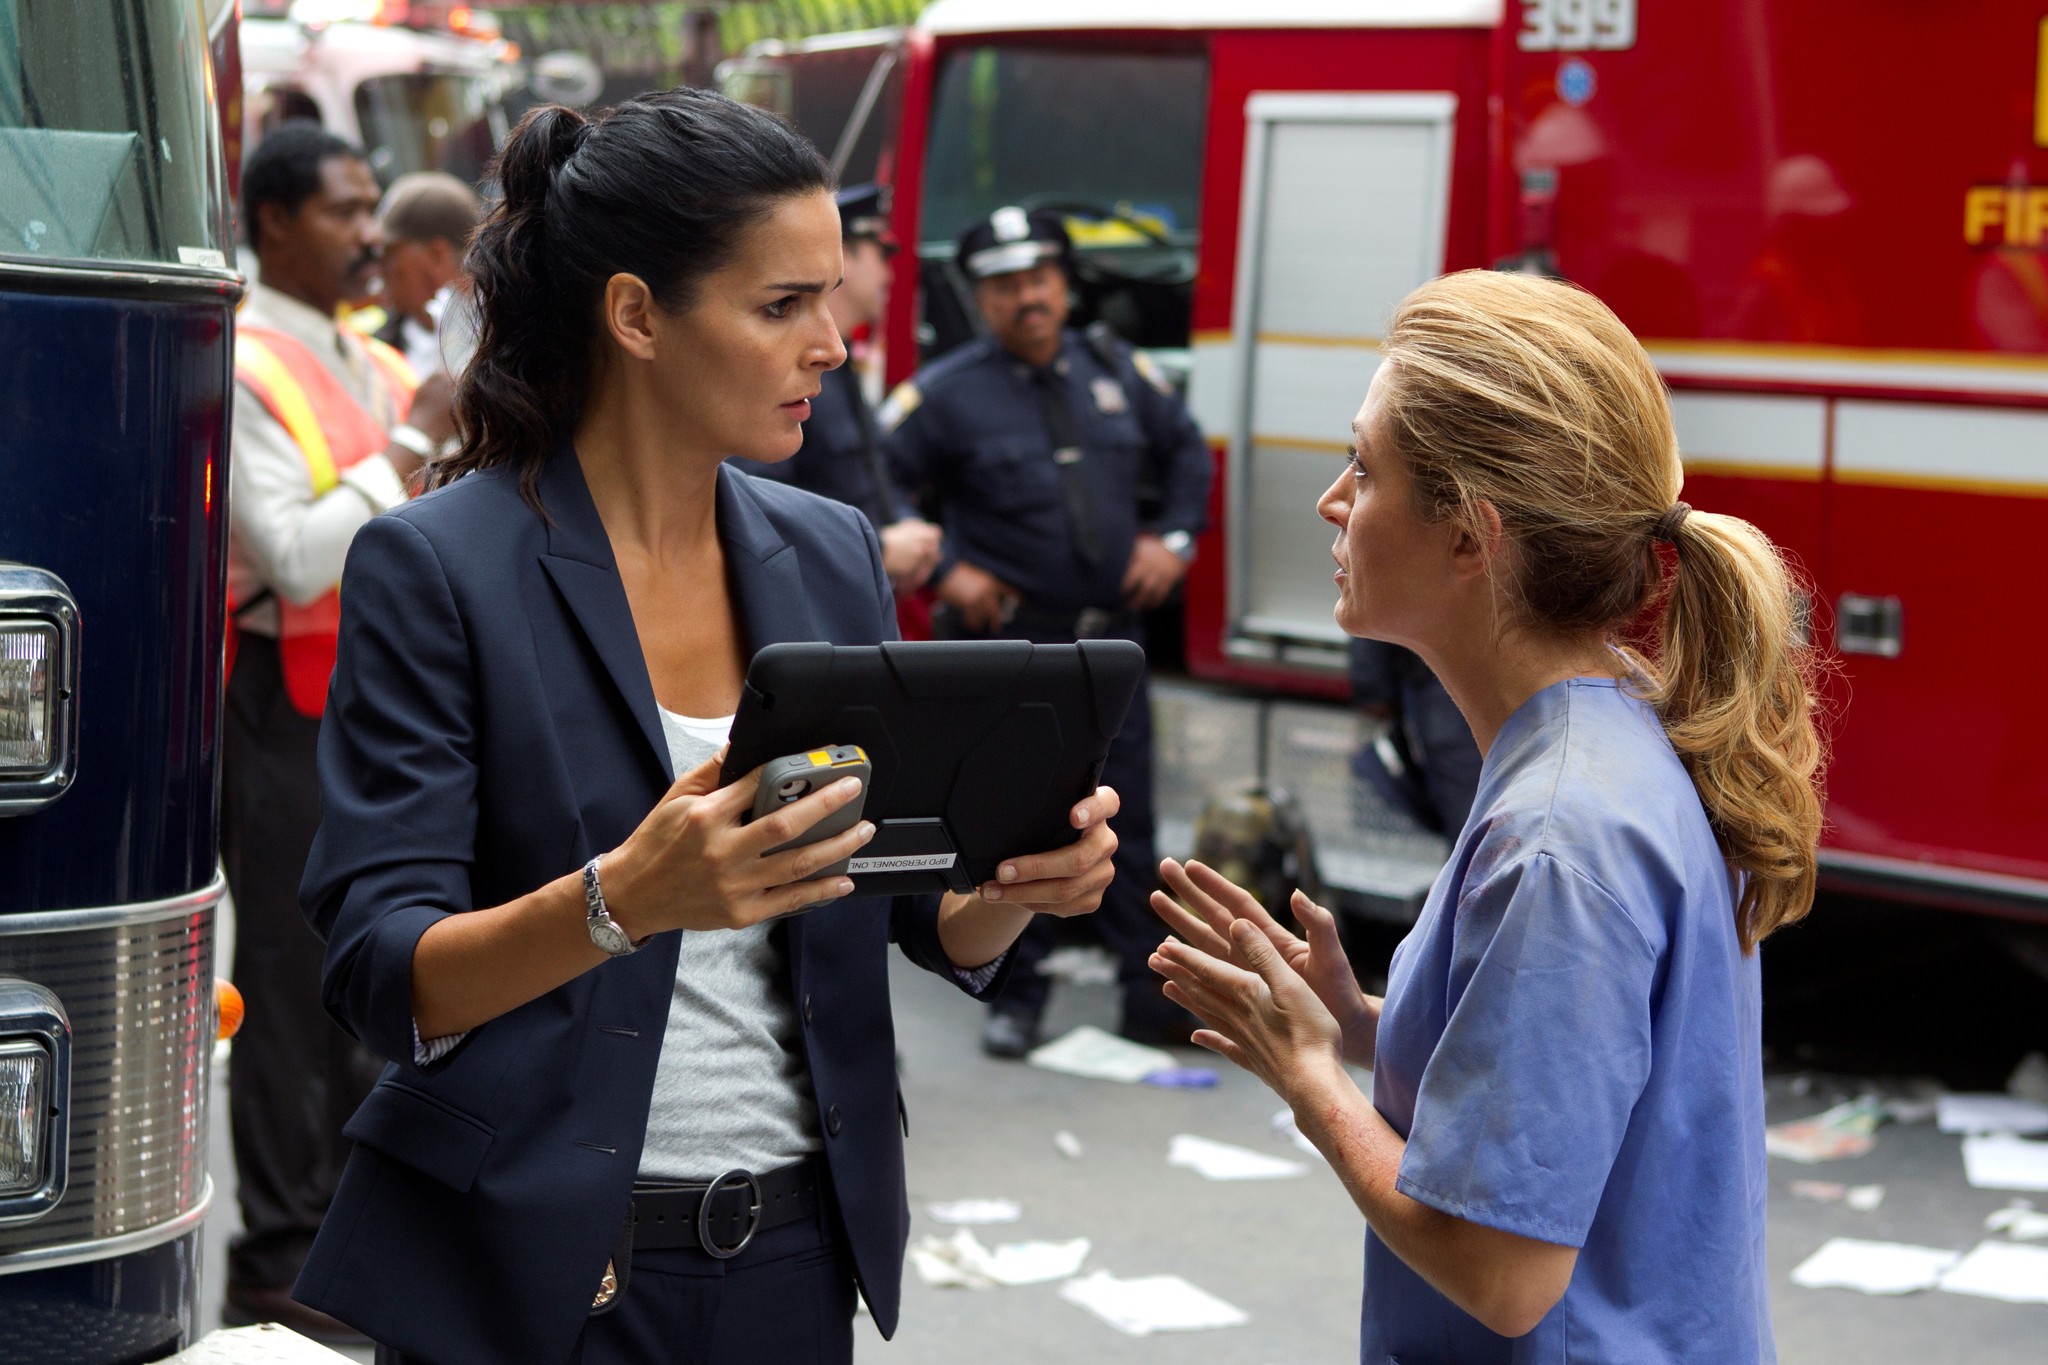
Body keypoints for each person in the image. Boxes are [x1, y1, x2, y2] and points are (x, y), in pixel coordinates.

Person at [293, 90, 1123, 1365]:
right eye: (781, 304)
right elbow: (377, 969)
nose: (833, 348)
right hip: (538, 1269)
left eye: (830, 299)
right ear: (634, 314)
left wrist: (1019, 882)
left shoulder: (827, 547)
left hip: (796, 1251)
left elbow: (907, 907)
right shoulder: (435, 566)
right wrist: (623, 897)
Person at [1148, 270, 1822, 1361]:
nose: (1332, 500)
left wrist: (1308, 1075)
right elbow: (1571, 1083)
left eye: (1363, 468)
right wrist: (1358, 1023)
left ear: (1471, 536)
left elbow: (1503, 1276)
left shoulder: (1557, 833)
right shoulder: (1608, 738)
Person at [222, 122, 456, 1342]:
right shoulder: (244, 355)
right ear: (272, 223)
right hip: (278, 705)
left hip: (368, 698)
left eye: (372, 206)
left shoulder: (357, 354)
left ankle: (343, 1238)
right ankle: (277, 1257)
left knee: (373, 967)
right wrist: (418, 436)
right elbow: (301, 553)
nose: (370, 233)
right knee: (285, 984)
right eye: (343, 210)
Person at [882, 206, 1211, 1056]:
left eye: (1038, 279)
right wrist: (946, 563)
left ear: (1064, 284)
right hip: (1008, 653)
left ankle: (1151, 999)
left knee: (1125, 824)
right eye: (1003, 285)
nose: (1025, 297)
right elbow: (875, 482)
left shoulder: (1118, 370)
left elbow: (1186, 454)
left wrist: (1173, 539)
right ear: (980, 297)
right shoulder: (944, 393)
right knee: (1010, 828)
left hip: (1109, 648)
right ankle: (1014, 998)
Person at [728, 183, 941, 593]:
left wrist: (903, 523)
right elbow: (761, 504)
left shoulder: (842, 366)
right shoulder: (784, 369)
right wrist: (877, 548)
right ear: (848, 255)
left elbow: (875, 473)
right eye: (882, 256)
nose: (890, 273)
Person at [1347, 638, 1482, 836]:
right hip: (1448, 687)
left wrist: (1373, 687)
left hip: (1447, 692)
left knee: (1472, 823)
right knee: (1472, 823)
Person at [372, 170, 483, 377]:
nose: (379, 271)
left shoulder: (510, 327)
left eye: (388, 256)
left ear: (435, 255)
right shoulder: (380, 358)